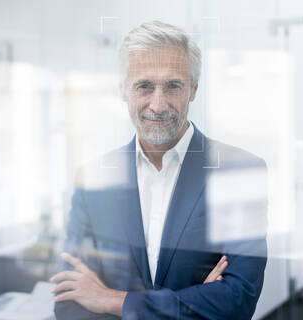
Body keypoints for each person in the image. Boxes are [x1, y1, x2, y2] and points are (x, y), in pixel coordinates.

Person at [51, 21, 268, 320]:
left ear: (193, 89)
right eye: (144, 86)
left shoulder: (238, 172)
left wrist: (113, 300)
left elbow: (236, 301)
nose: (158, 104)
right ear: (123, 90)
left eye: (173, 86)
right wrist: (192, 303)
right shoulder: (93, 180)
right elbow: (70, 302)